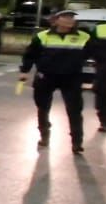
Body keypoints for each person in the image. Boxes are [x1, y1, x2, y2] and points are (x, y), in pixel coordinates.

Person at [19, 9, 94, 153]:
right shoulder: (43, 36)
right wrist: (25, 71)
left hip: (71, 78)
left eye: (72, 18)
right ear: (57, 20)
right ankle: (44, 135)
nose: (70, 20)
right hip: (47, 76)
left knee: (75, 110)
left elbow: (94, 53)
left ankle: (77, 142)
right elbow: (30, 55)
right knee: (43, 107)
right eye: (66, 17)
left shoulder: (84, 37)